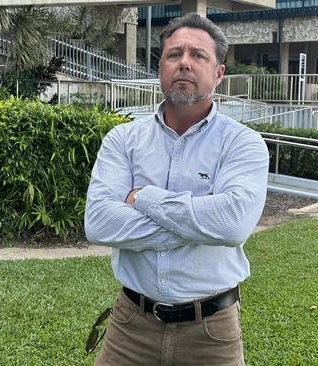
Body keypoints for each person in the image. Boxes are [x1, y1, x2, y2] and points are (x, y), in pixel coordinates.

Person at [84, 12, 269, 366]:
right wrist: (200, 223)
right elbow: (99, 223)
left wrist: (143, 198)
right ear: (160, 69)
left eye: (198, 56)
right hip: (129, 327)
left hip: (211, 333)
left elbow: (231, 224)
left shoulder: (243, 144)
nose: (185, 63)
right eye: (174, 54)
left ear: (218, 74)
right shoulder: (123, 139)